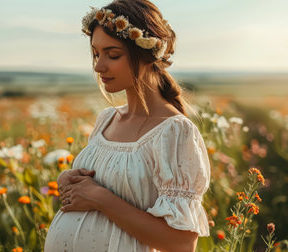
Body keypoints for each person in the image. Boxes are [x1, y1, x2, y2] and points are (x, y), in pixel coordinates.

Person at [44, 0, 211, 251]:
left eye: (113, 55)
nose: (99, 66)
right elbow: (95, 189)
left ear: (147, 54)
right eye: (96, 54)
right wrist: (68, 180)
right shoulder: (106, 120)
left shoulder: (174, 132)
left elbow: (181, 243)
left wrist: (99, 198)